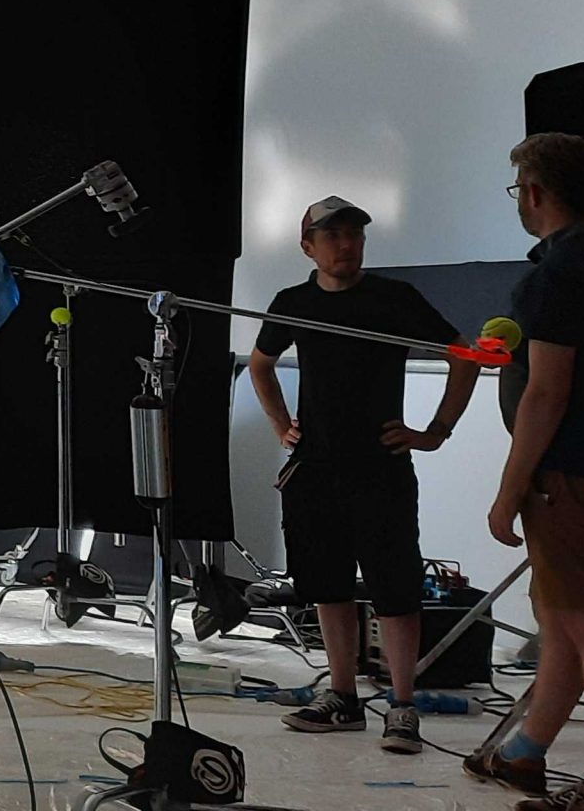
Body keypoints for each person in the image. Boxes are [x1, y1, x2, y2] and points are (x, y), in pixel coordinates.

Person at [251, 195, 478, 752]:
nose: (346, 245)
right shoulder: (293, 302)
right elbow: (260, 364)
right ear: (308, 247)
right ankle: (343, 698)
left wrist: (436, 431)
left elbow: (464, 356)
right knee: (327, 585)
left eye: (354, 235)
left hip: (380, 467)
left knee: (395, 589)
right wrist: (281, 425)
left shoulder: (393, 299)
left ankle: (402, 707)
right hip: (315, 468)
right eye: (332, 236)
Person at [481, 135, 584, 809]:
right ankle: (524, 752)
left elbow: (547, 392)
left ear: (535, 193)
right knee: (563, 620)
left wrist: (508, 489)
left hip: (571, 478)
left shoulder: (557, 275)